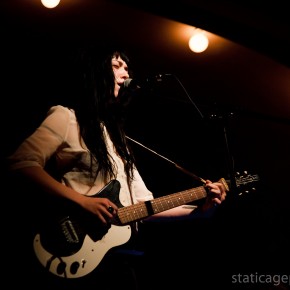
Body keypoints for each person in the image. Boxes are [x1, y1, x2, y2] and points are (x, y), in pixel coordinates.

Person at [6, 44, 227, 290]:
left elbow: (145, 207)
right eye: (116, 66)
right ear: (96, 72)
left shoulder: (119, 142)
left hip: (115, 261)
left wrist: (202, 209)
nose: (125, 74)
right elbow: (21, 163)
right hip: (67, 246)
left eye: (126, 68)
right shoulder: (67, 118)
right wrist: (83, 202)